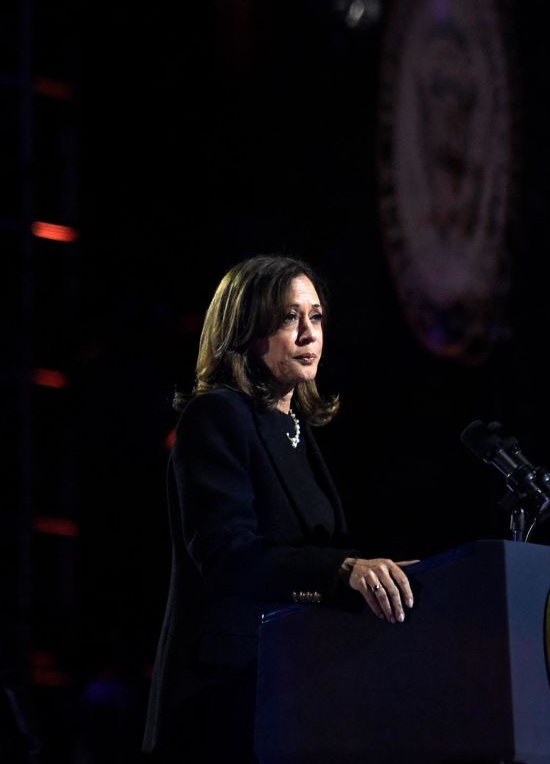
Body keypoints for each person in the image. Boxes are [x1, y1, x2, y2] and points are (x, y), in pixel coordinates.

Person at [142, 255, 414, 762]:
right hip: (223, 701)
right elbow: (229, 556)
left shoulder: (297, 432)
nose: (310, 334)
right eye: (290, 318)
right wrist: (344, 570)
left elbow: (313, 555)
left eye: (316, 317)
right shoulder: (216, 415)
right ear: (246, 331)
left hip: (295, 696)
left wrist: (384, 577)